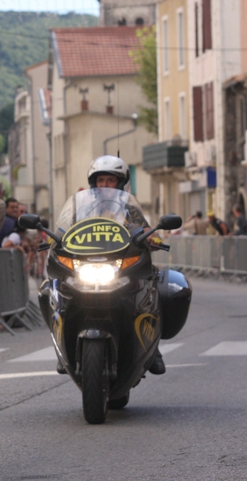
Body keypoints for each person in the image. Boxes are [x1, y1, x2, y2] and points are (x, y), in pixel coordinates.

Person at [84, 155, 166, 376]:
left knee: (151, 287)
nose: (105, 185)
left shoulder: (130, 208)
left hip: (122, 265)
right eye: (100, 180)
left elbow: (148, 231)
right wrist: (56, 239)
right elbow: (67, 230)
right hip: (88, 265)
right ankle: (63, 339)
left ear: (120, 183)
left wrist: (152, 238)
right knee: (53, 289)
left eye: (110, 180)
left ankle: (153, 348)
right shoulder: (84, 209)